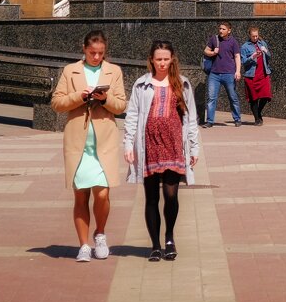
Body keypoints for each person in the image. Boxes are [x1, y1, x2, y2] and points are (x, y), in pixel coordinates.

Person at [50, 29, 127, 262]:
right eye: (92, 53)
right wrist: (79, 96)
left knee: (102, 193)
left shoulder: (114, 71)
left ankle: (100, 234)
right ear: (84, 49)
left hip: (104, 141)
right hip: (78, 142)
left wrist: (105, 99)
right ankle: (83, 245)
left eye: (101, 53)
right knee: (81, 195)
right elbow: (56, 103)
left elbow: (121, 105)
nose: (96, 57)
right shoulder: (70, 71)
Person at [123, 40, 200, 262]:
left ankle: (169, 237)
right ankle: (155, 245)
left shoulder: (182, 84)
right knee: (151, 197)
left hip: (174, 144)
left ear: (172, 59)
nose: (162, 63)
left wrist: (194, 147)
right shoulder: (141, 84)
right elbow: (133, 116)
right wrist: (128, 144)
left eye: (166, 59)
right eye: (158, 59)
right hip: (149, 145)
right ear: (151, 60)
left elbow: (191, 118)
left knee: (171, 195)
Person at [201, 22, 241, 127]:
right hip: (214, 74)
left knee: (233, 97)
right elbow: (206, 51)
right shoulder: (214, 39)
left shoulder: (233, 42)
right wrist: (213, 53)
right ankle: (210, 121)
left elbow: (237, 57)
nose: (221, 31)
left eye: (223, 29)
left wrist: (238, 71)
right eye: (220, 28)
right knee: (211, 98)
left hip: (229, 73)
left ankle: (237, 119)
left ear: (229, 30)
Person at [240, 26, 272, 125]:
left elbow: (269, 57)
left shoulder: (262, 43)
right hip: (251, 75)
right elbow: (243, 61)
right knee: (253, 98)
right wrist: (252, 56)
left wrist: (265, 51)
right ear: (249, 35)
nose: (255, 38)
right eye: (253, 36)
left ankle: (258, 112)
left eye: (256, 36)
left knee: (266, 96)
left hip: (263, 74)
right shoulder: (245, 46)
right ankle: (257, 119)